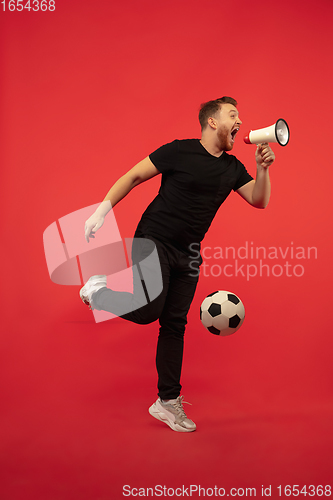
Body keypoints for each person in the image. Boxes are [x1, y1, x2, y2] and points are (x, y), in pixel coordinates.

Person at [80, 96, 275, 432]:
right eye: (233, 114)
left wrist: (262, 169)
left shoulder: (232, 168)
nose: (240, 121)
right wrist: (101, 212)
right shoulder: (179, 150)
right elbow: (133, 176)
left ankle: (167, 403)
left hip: (189, 253)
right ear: (212, 122)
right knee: (148, 311)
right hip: (152, 237)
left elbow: (259, 200)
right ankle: (97, 292)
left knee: (174, 324)